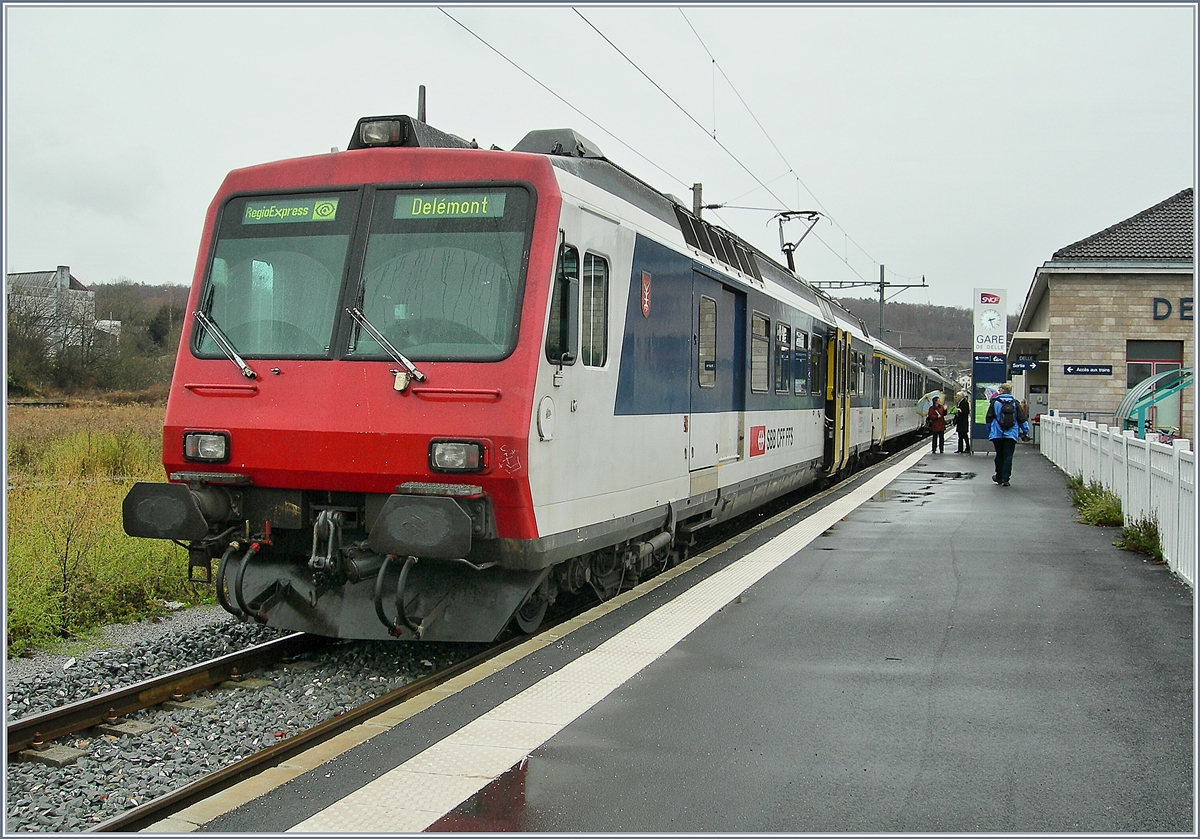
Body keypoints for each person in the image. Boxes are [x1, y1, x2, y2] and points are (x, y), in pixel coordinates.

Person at [985, 382, 1031, 486]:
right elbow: (1022, 419)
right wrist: (1025, 431)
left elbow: (989, 418)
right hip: (1011, 434)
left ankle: (999, 476)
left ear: (1001, 391)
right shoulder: (1015, 403)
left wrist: (990, 430)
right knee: (1008, 455)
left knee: (999, 454)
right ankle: (1006, 479)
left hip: (997, 433)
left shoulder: (995, 402)